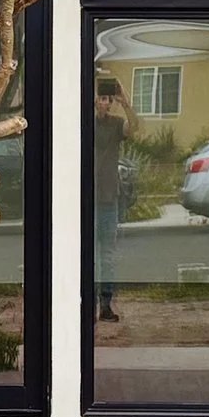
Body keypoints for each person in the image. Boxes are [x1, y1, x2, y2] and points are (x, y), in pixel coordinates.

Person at [93, 74, 133, 323]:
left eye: (106, 97)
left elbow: (136, 128)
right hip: (85, 199)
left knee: (107, 254)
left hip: (108, 198)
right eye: (99, 96)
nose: (102, 101)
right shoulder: (83, 122)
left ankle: (105, 304)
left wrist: (125, 102)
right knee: (86, 254)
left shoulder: (116, 124)